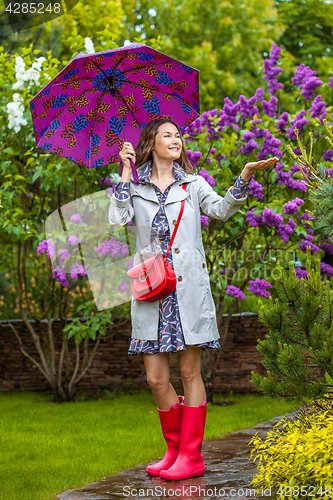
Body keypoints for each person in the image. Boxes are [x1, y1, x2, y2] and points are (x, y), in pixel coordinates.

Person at [108, 118, 279, 480]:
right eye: (167, 135)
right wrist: (125, 172)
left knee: (189, 372)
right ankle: (173, 451)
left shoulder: (193, 183)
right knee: (156, 379)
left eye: (178, 135)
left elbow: (220, 210)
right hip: (152, 291)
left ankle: (192, 456)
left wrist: (244, 176)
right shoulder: (135, 186)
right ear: (151, 142)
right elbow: (117, 218)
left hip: (186, 289)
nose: (176, 140)